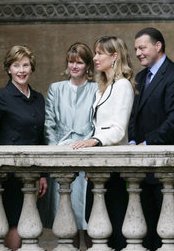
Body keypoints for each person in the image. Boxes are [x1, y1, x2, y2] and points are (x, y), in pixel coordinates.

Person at [0, 45, 47, 250]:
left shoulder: (38, 98)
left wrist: (43, 174)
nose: (21, 70)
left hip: (33, 170)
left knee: (31, 222)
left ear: (31, 68)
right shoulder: (2, 96)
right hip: (11, 171)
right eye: (16, 65)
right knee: (15, 221)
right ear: (9, 69)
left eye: (25, 65)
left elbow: (41, 137)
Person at [129, 27, 174, 251]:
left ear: (158, 46)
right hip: (143, 168)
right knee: (147, 230)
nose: (138, 53)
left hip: (168, 167)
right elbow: (134, 116)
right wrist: (132, 142)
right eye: (136, 48)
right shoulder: (140, 77)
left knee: (172, 231)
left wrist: (147, 144)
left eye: (142, 47)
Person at [71, 36, 135, 251]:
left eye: (100, 53)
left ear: (114, 56)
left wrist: (94, 141)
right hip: (98, 166)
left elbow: (118, 130)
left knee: (114, 229)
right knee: (95, 225)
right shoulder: (103, 87)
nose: (95, 58)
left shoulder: (123, 85)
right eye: (95, 53)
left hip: (113, 167)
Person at [42, 42, 97, 248]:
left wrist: (90, 151)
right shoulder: (56, 88)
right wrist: (56, 154)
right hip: (62, 154)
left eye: (80, 62)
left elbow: (97, 124)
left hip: (87, 154)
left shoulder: (95, 89)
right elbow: (49, 124)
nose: (74, 66)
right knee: (68, 218)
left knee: (90, 219)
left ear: (87, 66)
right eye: (71, 62)